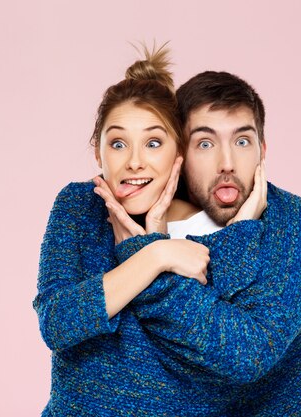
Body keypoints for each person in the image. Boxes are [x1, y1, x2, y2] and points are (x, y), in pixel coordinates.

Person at [100, 71, 301, 415]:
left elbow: (244, 355)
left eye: (242, 142)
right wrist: (156, 250)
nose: (227, 164)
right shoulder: (142, 215)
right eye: (205, 143)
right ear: (179, 155)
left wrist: (240, 231)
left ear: (262, 150)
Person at [33, 46, 264, 416]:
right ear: (98, 153)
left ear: (179, 152)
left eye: (153, 143)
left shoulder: (213, 226)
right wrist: (155, 255)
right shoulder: (79, 206)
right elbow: (58, 323)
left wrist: (243, 226)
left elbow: (230, 354)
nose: (134, 161)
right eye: (118, 143)